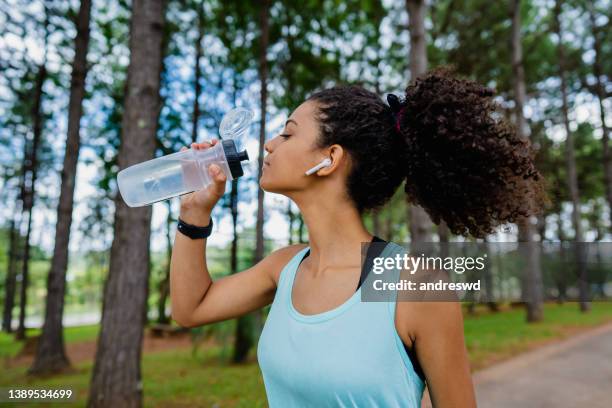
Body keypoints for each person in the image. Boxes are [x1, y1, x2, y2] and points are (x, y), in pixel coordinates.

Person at [170, 66, 547, 407]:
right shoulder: (285, 267)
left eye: (287, 133)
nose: (270, 144)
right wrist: (194, 213)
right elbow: (192, 309)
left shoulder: (412, 284)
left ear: (330, 158)